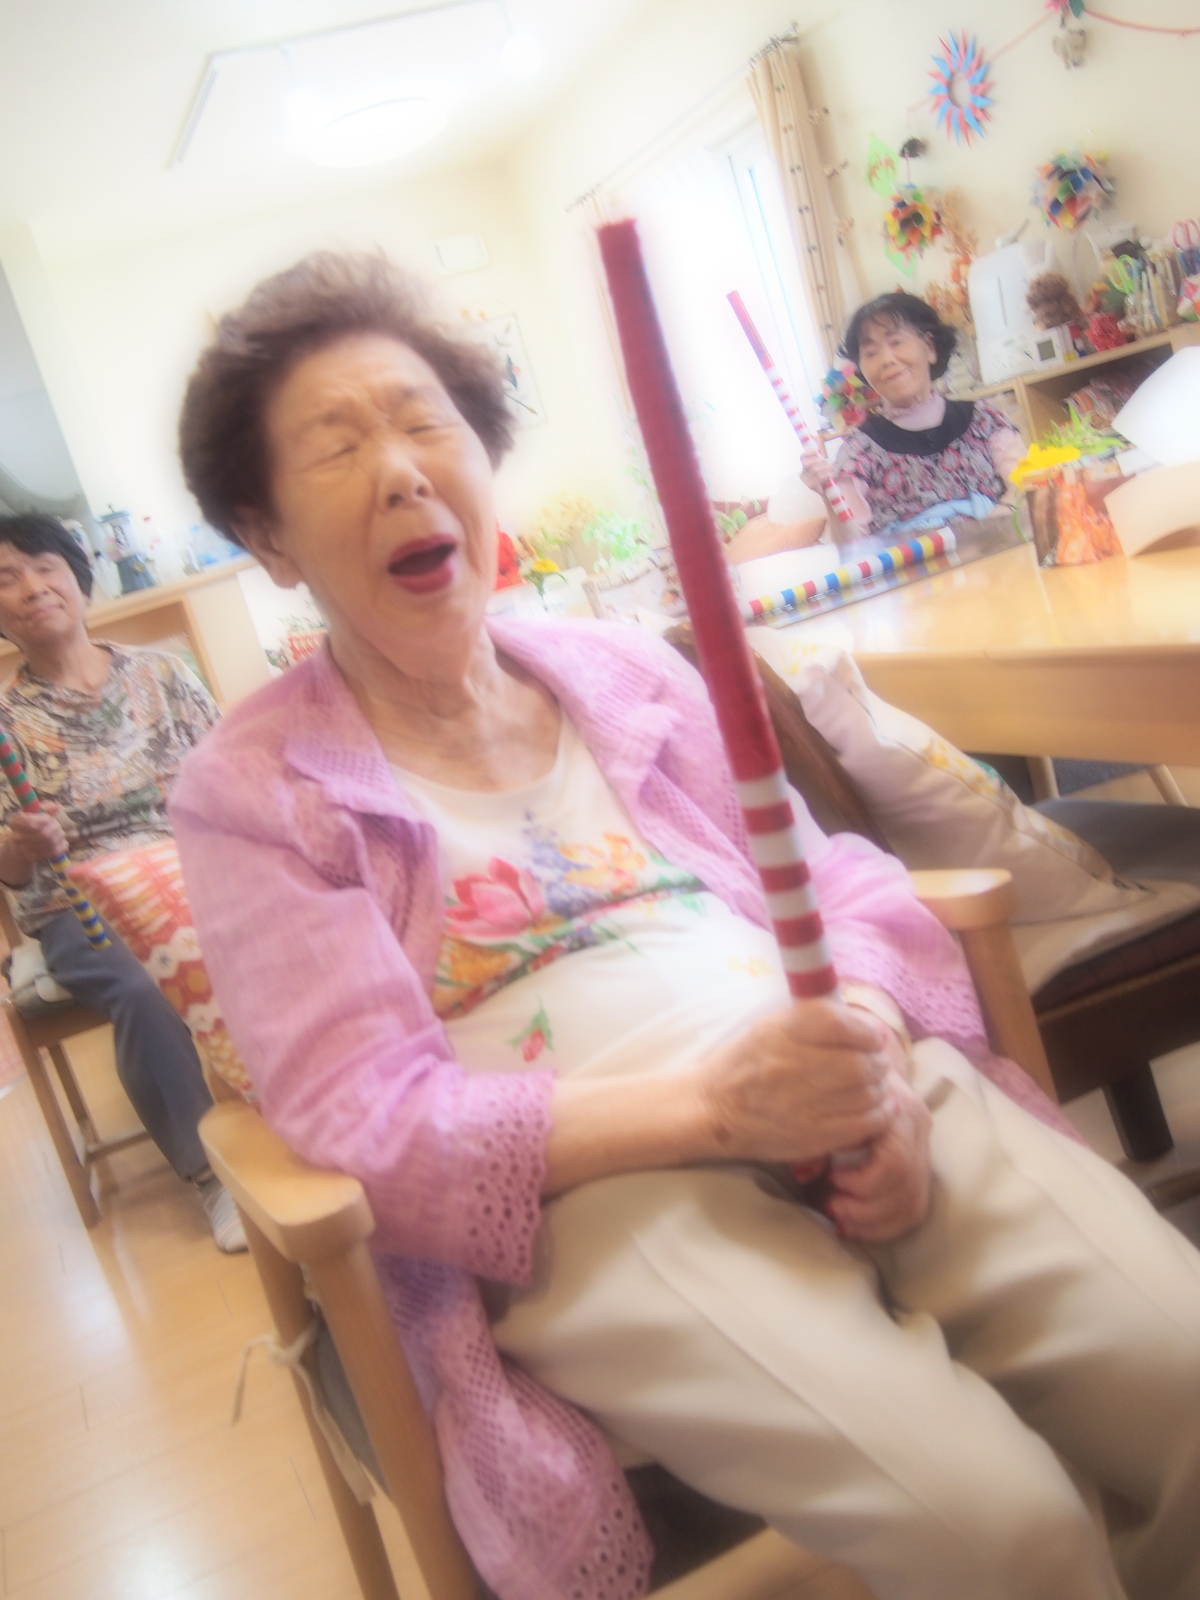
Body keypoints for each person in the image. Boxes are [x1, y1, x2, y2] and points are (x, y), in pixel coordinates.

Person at [170, 253, 1200, 1600]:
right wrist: (720, 1110)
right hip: (597, 1200)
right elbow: (364, 1119)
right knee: (1003, 1532)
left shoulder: (619, 670)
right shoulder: (253, 788)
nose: (405, 471)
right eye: (337, 446)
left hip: (856, 1091)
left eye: (428, 423)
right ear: (266, 535)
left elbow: (843, 883)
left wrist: (871, 1049)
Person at [0, 514, 245, 1252]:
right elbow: (8, 872)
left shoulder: (163, 674)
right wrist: (20, 844)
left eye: (45, 565)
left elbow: (233, 777)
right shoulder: (5, 723)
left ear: (79, 577)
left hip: (189, 867)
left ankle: (312, 1106)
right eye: (6, 579)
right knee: (143, 982)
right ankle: (212, 1175)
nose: (31, 587)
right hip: (78, 899)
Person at [803, 291, 1025, 537]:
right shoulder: (858, 451)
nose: (886, 360)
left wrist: (993, 521)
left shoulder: (984, 419)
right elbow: (852, 545)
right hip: (917, 559)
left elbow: (1026, 487)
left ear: (929, 347)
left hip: (997, 547)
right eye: (871, 353)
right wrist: (829, 496)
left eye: (896, 342)